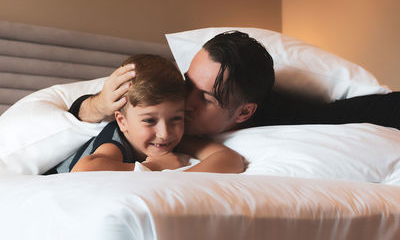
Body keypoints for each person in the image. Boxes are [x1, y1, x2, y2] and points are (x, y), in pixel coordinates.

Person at [68, 31, 400, 138]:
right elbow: (74, 108)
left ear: (244, 113)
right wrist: (96, 105)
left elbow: (376, 108)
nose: (185, 101)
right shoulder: (168, 92)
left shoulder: (280, 117)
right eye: (188, 84)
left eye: (206, 98)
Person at [50, 54, 244, 174]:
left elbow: (230, 160)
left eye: (177, 118)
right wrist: (154, 167)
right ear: (122, 121)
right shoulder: (117, 140)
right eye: (149, 120)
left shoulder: (171, 137)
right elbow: (83, 170)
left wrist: (180, 178)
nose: (165, 133)